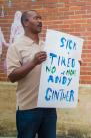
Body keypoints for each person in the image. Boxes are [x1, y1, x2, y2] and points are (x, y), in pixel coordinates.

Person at [6, 10, 57, 138]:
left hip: (49, 108)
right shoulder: (16, 47)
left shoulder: (46, 45)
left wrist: (73, 63)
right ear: (25, 22)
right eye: (36, 18)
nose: (40, 21)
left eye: (40, 18)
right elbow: (12, 76)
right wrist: (33, 62)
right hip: (28, 109)